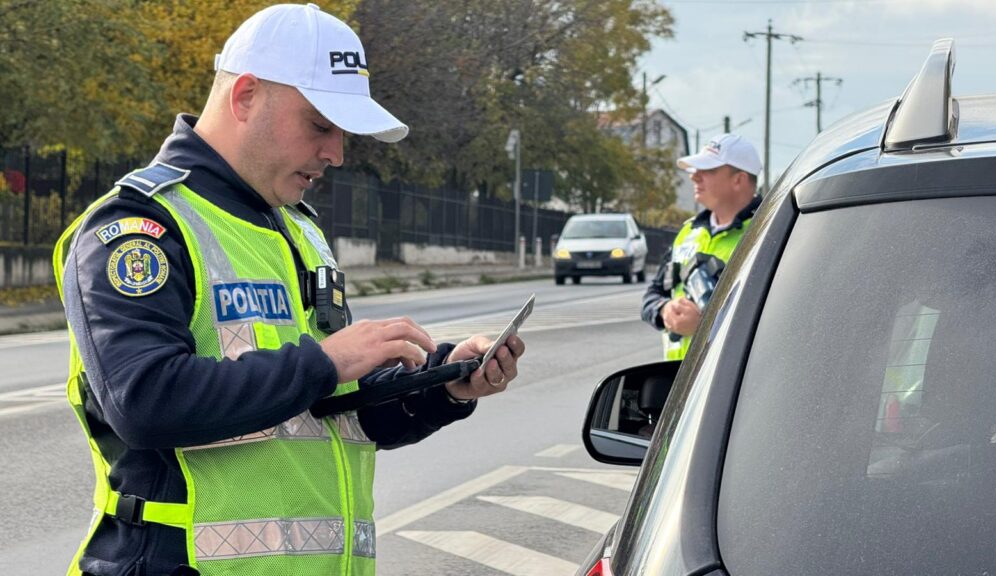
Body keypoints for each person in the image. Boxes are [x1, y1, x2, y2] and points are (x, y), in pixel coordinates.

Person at [52, 5, 524, 575]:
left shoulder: (297, 227)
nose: (336, 154)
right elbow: (144, 402)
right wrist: (325, 362)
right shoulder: (138, 228)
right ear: (246, 95)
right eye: (320, 125)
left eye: (342, 132)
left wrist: (442, 384)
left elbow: (327, 411)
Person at [641, 133, 762, 360]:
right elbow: (652, 295)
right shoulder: (687, 233)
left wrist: (705, 326)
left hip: (729, 384)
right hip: (680, 382)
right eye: (695, 171)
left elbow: (769, 316)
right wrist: (664, 310)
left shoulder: (765, 233)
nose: (695, 177)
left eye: (708, 170)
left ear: (739, 179)